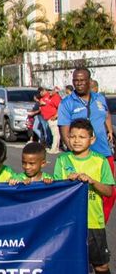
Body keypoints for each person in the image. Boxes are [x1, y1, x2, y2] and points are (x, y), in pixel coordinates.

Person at [54, 118, 116, 274]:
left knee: (101, 265)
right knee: (67, 263)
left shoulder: (100, 161)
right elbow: (56, 190)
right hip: (69, 224)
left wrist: (92, 181)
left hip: (93, 222)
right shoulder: (63, 160)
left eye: (82, 137)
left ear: (92, 139)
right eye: (72, 136)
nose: (76, 140)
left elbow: (109, 191)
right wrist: (67, 181)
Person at [57, 68, 114, 221]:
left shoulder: (100, 98)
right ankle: (81, 224)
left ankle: (99, 222)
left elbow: (106, 115)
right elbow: (64, 130)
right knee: (82, 192)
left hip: (104, 153)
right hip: (81, 157)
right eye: (76, 80)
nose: (79, 83)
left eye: (82, 80)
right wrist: (74, 152)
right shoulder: (67, 103)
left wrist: (110, 131)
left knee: (109, 193)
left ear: (89, 81)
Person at [39, 86, 61, 154]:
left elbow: (60, 108)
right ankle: (55, 148)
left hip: (53, 118)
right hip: (49, 118)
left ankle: (54, 149)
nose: (49, 92)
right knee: (54, 134)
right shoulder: (51, 97)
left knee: (55, 134)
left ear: (54, 90)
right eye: (48, 90)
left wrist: (56, 116)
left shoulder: (56, 97)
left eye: (51, 90)